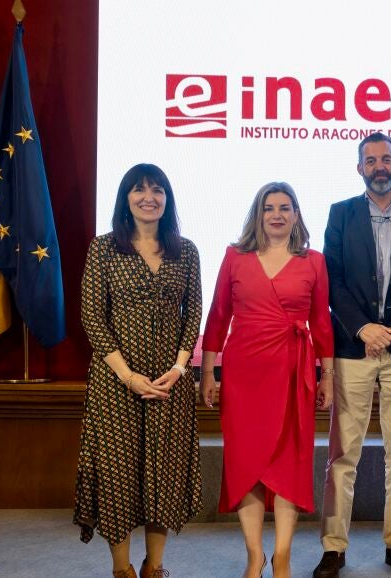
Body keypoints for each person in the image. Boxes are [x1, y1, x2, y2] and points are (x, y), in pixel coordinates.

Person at [199, 182, 334, 578]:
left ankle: (283, 556)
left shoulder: (314, 261)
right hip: (244, 375)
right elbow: (218, 316)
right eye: (269, 207)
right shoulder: (235, 257)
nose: (277, 214)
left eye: (284, 208)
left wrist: (327, 376)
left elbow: (321, 323)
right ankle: (254, 555)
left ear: (296, 215)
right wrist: (207, 372)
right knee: (247, 463)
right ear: (258, 215)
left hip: (292, 373)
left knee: (290, 464)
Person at [315, 133, 391, 578]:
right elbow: (332, 279)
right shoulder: (340, 213)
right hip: (352, 347)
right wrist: (362, 328)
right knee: (342, 455)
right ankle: (334, 546)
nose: (379, 166)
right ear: (359, 168)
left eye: (387, 159)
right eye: (371, 160)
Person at [75, 163, 202, 578]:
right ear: (126, 198)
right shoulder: (103, 249)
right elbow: (92, 317)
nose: (149, 197)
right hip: (115, 382)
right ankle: (122, 569)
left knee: (162, 475)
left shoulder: (186, 251)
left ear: (167, 198)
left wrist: (179, 370)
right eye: (139, 189)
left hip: (169, 383)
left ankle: (154, 567)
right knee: (118, 476)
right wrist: (128, 376)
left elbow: (193, 315)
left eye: (157, 189)